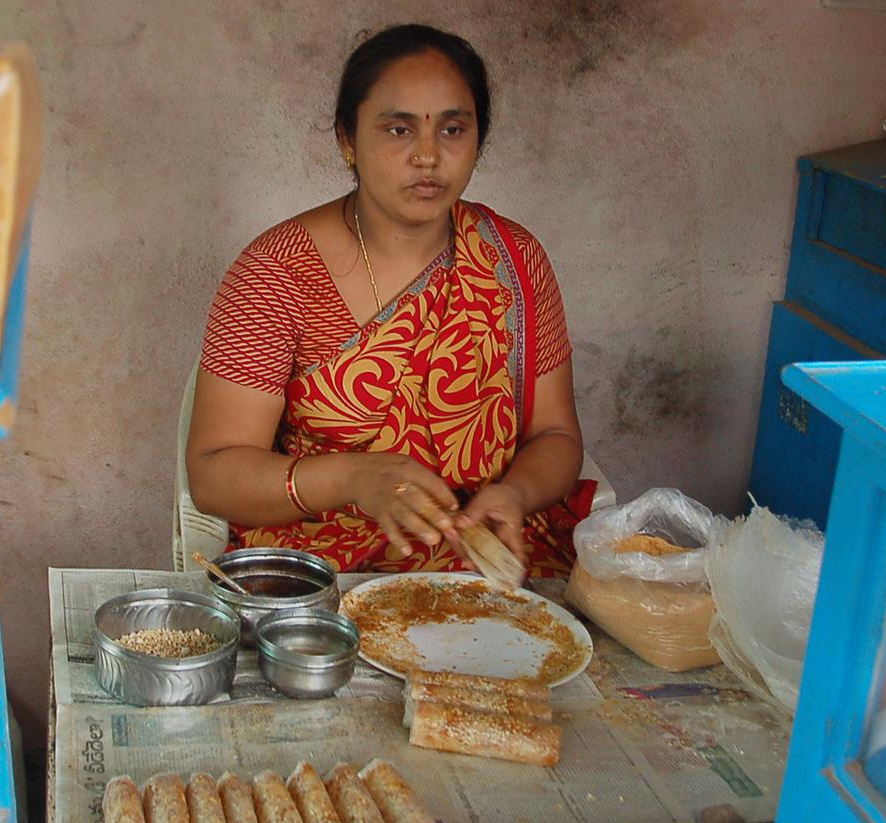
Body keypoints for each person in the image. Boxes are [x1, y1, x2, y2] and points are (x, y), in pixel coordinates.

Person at [187, 23, 595, 578]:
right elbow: (214, 474)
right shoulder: (277, 274)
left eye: (453, 129)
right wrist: (353, 478)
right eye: (399, 130)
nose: (428, 156)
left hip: (486, 565)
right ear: (347, 139)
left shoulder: (513, 262)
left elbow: (556, 435)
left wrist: (517, 494)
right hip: (323, 573)